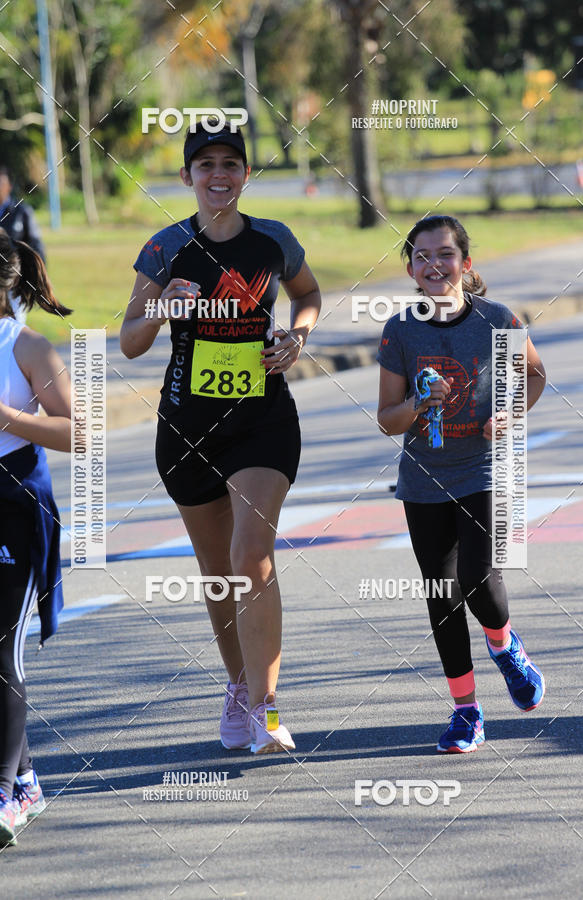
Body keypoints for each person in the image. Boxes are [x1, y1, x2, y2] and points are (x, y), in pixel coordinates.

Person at [121, 122, 321, 754]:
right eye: (204, 165)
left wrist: (299, 333)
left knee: (250, 555)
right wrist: (162, 308)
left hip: (262, 421)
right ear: (187, 178)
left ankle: (266, 710)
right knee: (218, 574)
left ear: (244, 175)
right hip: (186, 428)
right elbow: (128, 341)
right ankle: (237, 684)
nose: (217, 175)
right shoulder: (165, 249)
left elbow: (308, 293)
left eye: (229, 164)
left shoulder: (274, 241)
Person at [377, 214, 546, 753]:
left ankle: (505, 646)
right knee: (441, 593)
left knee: (476, 575)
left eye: (445, 254)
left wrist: (512, 413)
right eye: (422, 256)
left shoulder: (497, 319)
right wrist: (417, 404)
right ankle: (466, 711)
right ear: (410, 268)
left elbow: (535, 375)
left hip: (483, 469)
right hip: (423, 479)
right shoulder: (400, 330)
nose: (434, 264)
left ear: (465, 263)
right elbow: (387, 418)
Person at [0, 228, 71, 844]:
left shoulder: (26, 346)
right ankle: (25, 779)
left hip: (14, 506)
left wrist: (4, 417)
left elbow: (79, 431)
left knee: (0, 652)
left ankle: (3, 794)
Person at [0, 166, 46, 324]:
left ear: (9, 186)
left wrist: (37, 278)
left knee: (15, 324)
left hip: (14, 284)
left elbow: (36, 246)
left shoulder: (21, 212)